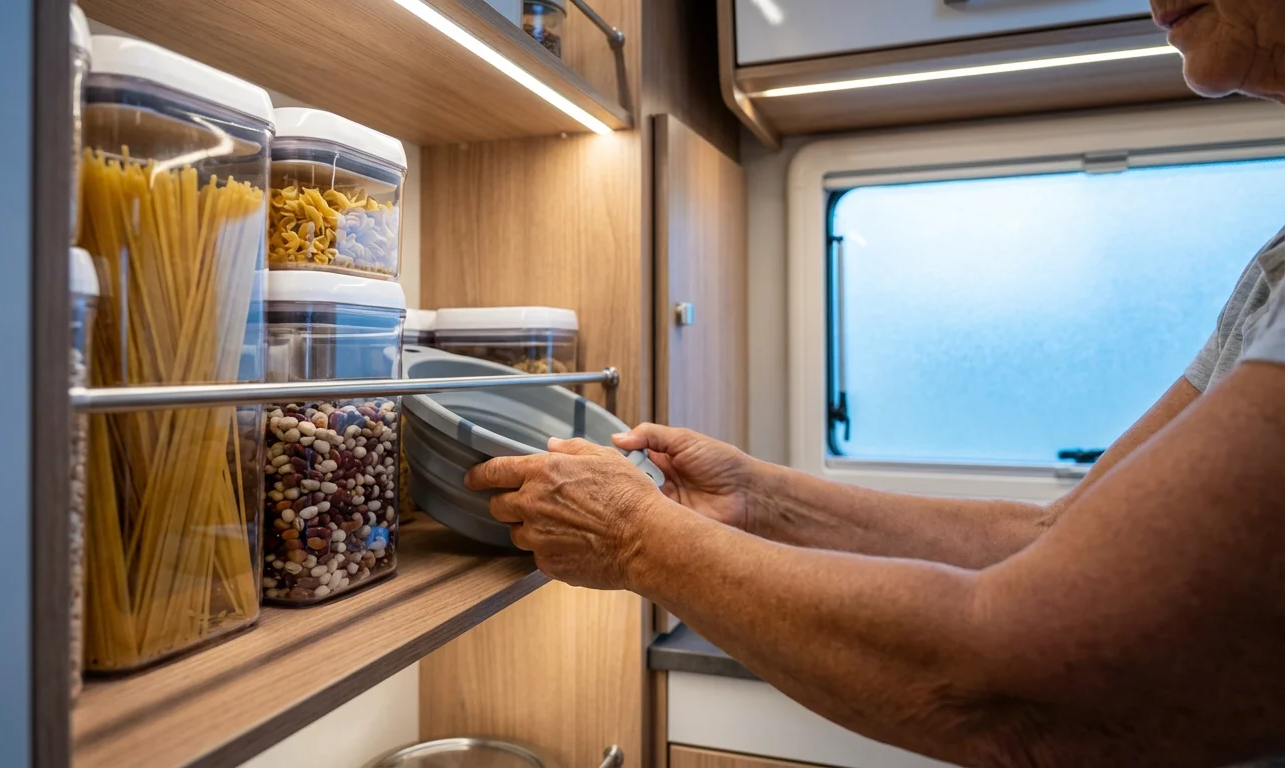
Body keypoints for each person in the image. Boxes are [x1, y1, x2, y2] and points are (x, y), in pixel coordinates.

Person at [463, 1, 1285, 766]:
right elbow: (1058, 532)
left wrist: (636, 535)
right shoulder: (1271, 273)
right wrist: (758, 500)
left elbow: (1019, 685)